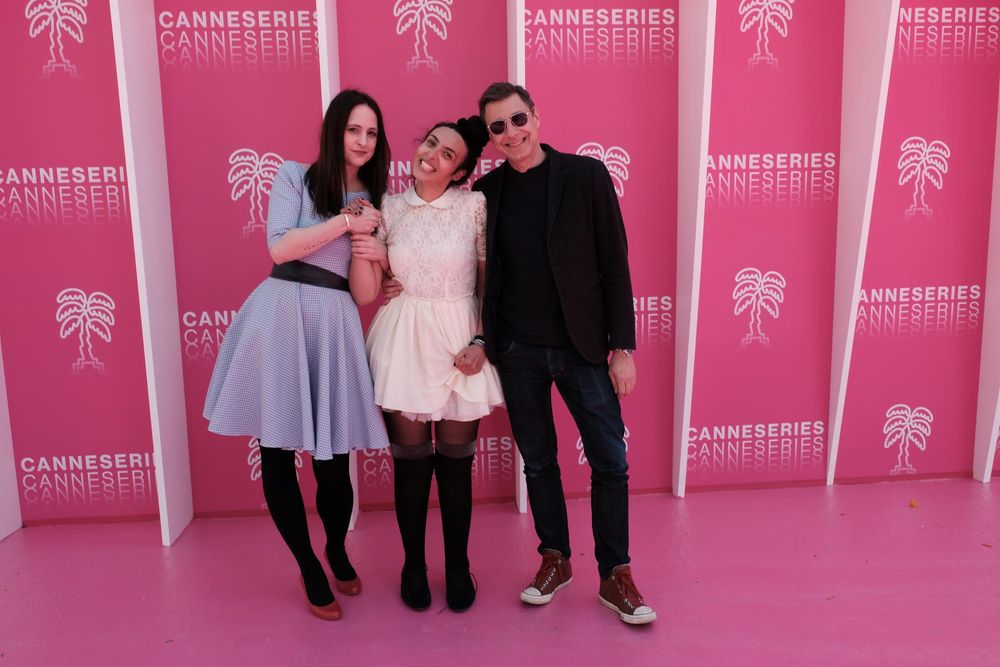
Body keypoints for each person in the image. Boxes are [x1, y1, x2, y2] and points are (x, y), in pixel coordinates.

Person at [203, 89, 392, 621]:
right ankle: (309, 566)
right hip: (280, 311)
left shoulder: (376, 201)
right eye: (353, 129)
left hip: (334, 320)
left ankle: (334, 548)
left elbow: (362, 295)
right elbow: (280, 246)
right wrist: (346, 223)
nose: (362, 140)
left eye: (371, 133)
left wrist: (373, 248)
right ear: (335, 131)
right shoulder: (293, 176)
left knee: (334, 464)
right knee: (277, 450)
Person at [474, 82, 655, 624]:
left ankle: (615, 573)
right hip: (518, 351)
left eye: (518, 119)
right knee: (538, 462)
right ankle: (555, 558)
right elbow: (470, 269)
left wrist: (622, 347)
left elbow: (615, 263)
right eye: (498, 127)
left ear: (536, 116)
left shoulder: (586, 176)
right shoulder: (486, 192)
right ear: (491, 138)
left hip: (584, 349)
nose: (511, 133)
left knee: (610, 461)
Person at [349, 115, 503, 613]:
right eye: (430, 143)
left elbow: (488, 283)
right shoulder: (389, 208)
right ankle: (413, 566)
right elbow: (375, 282)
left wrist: (482, 339)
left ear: (459, 173)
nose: (431, 155)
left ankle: (457, 567)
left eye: (446, 154)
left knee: (456, 467)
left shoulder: (474, 205)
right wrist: (381, 266)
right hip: (404, 342)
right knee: (411, 467)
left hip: (461, 340)